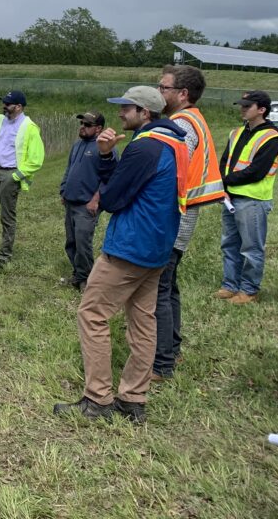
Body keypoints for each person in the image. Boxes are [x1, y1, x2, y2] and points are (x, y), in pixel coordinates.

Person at [54, 86, 187, 425]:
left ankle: (98, 398)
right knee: (143, 322)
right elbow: (130, 186)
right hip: (158, 247)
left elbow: (112, 199)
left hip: (130, 246)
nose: (121, 113)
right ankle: (133, 400)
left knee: (92, 314)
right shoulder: (173, 142)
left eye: (128, 108)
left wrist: (104, 157)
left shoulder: (145, 147)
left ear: (145, 113)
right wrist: (108, 158)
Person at [151, 65, 225, 380]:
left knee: (158, 291)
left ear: (182, 93)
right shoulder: (193, 119)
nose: (159, 92)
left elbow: (169, 174)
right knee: (169, 288)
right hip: (182, 219)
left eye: (163, 87)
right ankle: (172, 349)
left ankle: (162, 363)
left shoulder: (182, 125)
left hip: (172, 221)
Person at [215, 90, 278, 304]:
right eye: (242, 105)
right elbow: (225, 161)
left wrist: (226, 181)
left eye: (247, 106)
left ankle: (249, 290)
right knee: (229, 244)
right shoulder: (237, 132)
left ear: (262, 110)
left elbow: (256, 171)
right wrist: (222, 184)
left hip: (253, 200)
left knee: (251, 248)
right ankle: (230, 285)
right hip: (231, 197)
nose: (242, 109)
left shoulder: (271, 138)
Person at [0, 90, 44, 269]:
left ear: (19, 107)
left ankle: (4, 256)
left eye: (8, 104)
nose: (4, 106)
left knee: (7, 217)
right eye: (4, 103)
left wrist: (16, 176)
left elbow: (36, 159)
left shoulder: (30, 127)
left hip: (10, 174)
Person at [59, 111, 113, 292]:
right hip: (71, 202)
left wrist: (96, 200)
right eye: (82, 123)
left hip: (86, 205)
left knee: (83, 243)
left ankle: (87, 280)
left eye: (87, 125)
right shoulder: (77, 145)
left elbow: (109, 178)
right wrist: (63, 190)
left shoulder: (105, 148)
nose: (82, 127)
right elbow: (69, 168)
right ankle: (78, 274)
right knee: (71, 242)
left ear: (98, 129)